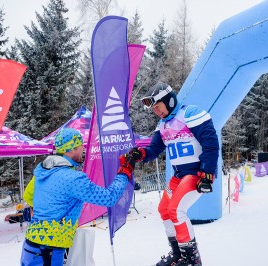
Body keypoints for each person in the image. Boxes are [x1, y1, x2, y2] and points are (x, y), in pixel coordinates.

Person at [130, 82, 219, 266]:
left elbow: (210, 142)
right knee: (164, 209)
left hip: (196, 173)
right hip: (179, 176)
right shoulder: (162, 125)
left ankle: (191, 259)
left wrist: (208, 172)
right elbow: (154, 149)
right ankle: (178, 253)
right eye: (153, 109)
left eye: (158, 107)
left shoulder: (190, 114)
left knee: (176, 210)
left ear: (168, 101)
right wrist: (141, 154)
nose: (156, 111)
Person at [20, 128, 136, 266]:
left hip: (31, 244)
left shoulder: (43, 171)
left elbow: (28, 196)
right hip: (48, 250)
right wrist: (124, 172)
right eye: (81, 145)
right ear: (70, 149)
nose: (83, 148)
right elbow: (109, 198)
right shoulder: (73, 178)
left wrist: (54, 214)